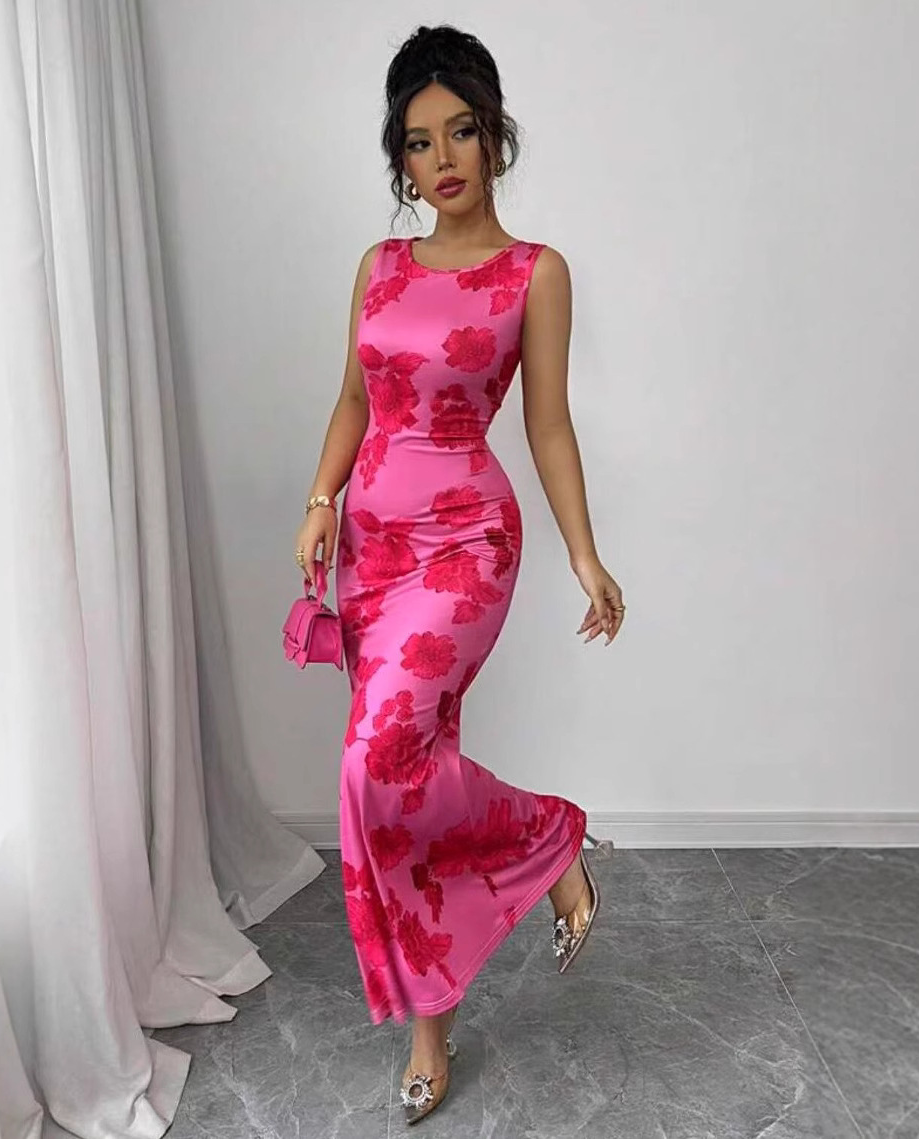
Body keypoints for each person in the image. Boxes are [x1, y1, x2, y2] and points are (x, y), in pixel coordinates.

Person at [292, 23, 626, 1125]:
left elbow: (547, 425)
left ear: (494, 137)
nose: (441, 158)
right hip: (371, 551)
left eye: (461, 132)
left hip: (465, 542)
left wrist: (583, 552)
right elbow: (353, 399)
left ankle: (546, 834)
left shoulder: (533, 274)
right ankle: (431, 1029)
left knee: (373, 762)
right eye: (418, 140)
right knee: (398, 786)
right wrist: (320, 500)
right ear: (400, 157)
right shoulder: (379, 267)